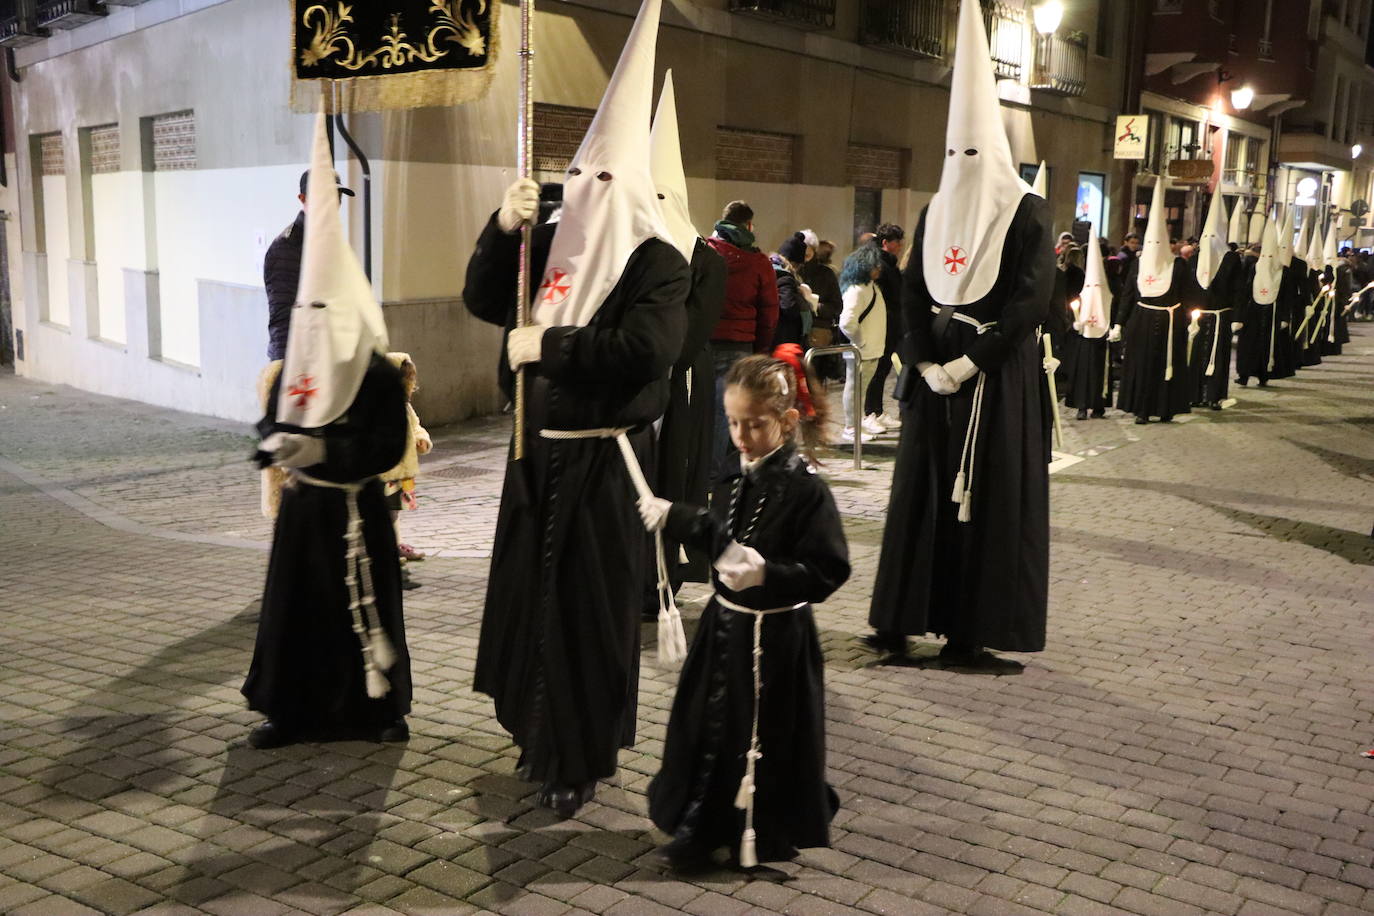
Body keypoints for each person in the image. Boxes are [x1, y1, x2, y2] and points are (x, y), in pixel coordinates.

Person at [463, 0, 689, 819]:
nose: (587, 192)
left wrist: (549, 350)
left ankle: (580, 756)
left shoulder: (658, 261)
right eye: (580, 176)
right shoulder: (550, 240)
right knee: (531, 603)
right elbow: (485, 298)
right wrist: (501, 226)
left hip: (602, 466)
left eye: (605, 180)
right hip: (536, 456)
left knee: (587, 615)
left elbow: (647, 352)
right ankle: (533, 731)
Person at [865, 0, 1052, 672]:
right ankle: (899, 618)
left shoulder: (1026, 213)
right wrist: (918, 363)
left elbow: (1030, 303)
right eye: (953, 152)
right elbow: (913, 293)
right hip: (931, 381)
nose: (961, 162)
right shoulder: (937, 207)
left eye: (971, 150)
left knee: (983, 504)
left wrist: (969, 365)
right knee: (917, 500)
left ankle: (970, 630)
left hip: (990, 383)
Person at [639, 349, 849, 869]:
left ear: (787, 420)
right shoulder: (735, 477)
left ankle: (761, 830)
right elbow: (724, 540)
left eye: (754, 424)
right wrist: (678, 518)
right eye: (732, 422)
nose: (740, 435)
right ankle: (701, 823)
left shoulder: (807, 492)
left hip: (777, 640)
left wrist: (770, 576)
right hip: (724, 626)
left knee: (762, 736)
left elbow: (828, 570)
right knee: (708, 727)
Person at [243, 113, 411, 750]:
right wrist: (277, 440)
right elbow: (272, 418)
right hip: (306, 507)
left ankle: (379, 709)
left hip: (354, 505)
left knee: (366, 604)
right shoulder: (287, 267)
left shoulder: (372, 371)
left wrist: (326, 447)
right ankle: (291, 710)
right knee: (298, 610)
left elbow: (382, 444)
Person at [650, 70, 727, 590]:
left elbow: (694, 329)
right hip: (641, 377)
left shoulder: (708, 260)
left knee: (678, 470)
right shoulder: (633, 255)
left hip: (681, 377)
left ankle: (672, 568)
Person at [707, 201, 780, 480]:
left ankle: (705, 468)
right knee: (729, 412)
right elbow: (769, 312)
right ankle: (720, 472)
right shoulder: (759, 262)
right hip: (739, 346)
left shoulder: (705, 251)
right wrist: (761, 347)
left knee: (704, 409)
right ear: (749, 225)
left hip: (704, 343)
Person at [1116, 179, 1193, 425]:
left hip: (1172, 321)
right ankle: (1141, 409)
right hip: (1142, 322)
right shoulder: (1138, 264)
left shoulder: (1178, 265)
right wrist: (1119, 323)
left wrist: (1192, 319)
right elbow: (1128, 294)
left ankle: (1166, 407)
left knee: (1166, 366)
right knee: (1143, 366)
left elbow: (1187, 294)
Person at [265, 169, 353, 361]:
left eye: (336, 196)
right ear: (303, 198)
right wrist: (284, 372)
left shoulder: (331, 242)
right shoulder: (287, 247)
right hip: (302, 364)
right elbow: (282, 316)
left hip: (331, 358)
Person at [380, 353, 433, 586]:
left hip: (403, 473)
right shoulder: (380, 408)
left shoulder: (406, 408)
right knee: (387, 514)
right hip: (387, 474)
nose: (411, 388)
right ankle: (388, 554)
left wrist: (422, 440)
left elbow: (417, 426)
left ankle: (393, 548)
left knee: (395, 513)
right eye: (408, 384)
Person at [1187, 193, 1242, 410]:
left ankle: (1214, 395)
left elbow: (1238, 290)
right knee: (1195, 355)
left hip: (1221, 316)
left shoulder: (1231, 260)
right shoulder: (1194, 259)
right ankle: (1194, 393)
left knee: (1217, 357)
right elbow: (1189, 288)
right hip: (1198, 317)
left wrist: (1237, 317)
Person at [837, 245, 886, 442]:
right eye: (875, 265)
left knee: (860, 390)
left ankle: (856, 424)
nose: (879, 269)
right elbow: (847, 322)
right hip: (861, 351)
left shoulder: (869, 288)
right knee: (854, 389)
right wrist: (861, 342)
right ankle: (851, 427)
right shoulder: (857, 290)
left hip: (868, 349)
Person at [1064, 239, 1116, 420]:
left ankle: (1099, 406)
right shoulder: (1080, 282)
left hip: (1102, 335)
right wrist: (1074, 322)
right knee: (1083, 372)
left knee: (1099, 371)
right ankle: (1082, 405)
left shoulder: (1109, 283)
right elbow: (1073, 303)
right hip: (1084, 335)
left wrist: (1114, 326)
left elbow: (1112, 306)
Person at [863, 223, 906, 432]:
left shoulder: (889, 263)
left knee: (883, 369)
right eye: (897, 242)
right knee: (876, 370)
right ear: (885, 243)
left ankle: (877, 411)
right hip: (882, 323)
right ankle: (869, 413)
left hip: (892, 323)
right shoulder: (879, 265)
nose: (900, 246)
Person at [1236, 221, 1282, 388]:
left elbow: (1284, 296)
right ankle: (1244, 374)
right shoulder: (1254, 268)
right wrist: (1239, 316)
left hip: (1271, 313)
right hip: (1252, 313)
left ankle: (1264, 374)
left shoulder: (1281, 272)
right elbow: (1245, 291)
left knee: (1266, 346)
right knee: (1248, 346)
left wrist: (1284, 317)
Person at [770, 232, 817, 349]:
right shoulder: (784, 277)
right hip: (783, 338)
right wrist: (802, 301)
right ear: (794, 264)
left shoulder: (769, 271)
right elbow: (788, 307)